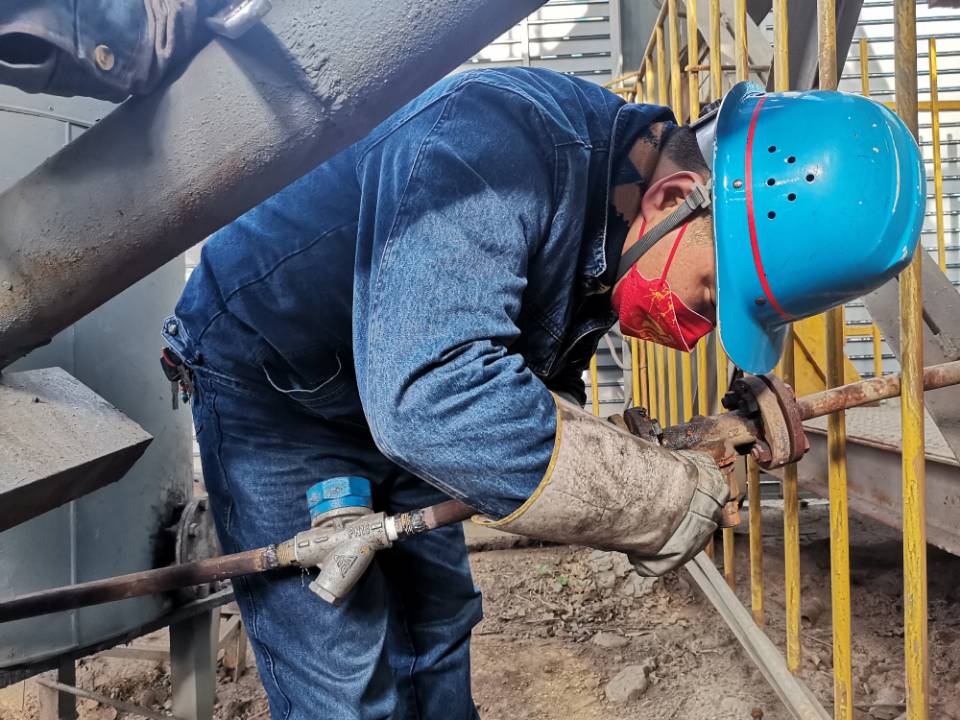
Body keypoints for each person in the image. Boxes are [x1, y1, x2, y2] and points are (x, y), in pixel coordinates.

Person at [157, 65, 924, 719]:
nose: (694, 333)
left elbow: (509, 395)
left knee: (435, 624)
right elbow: (434, 397)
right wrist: (659, 495)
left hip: (395, 385)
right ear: (672, 199)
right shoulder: (490, 147)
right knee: (345, 671)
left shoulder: (616, 207)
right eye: (711, 296)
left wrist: (678, 444)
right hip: (276, 384)